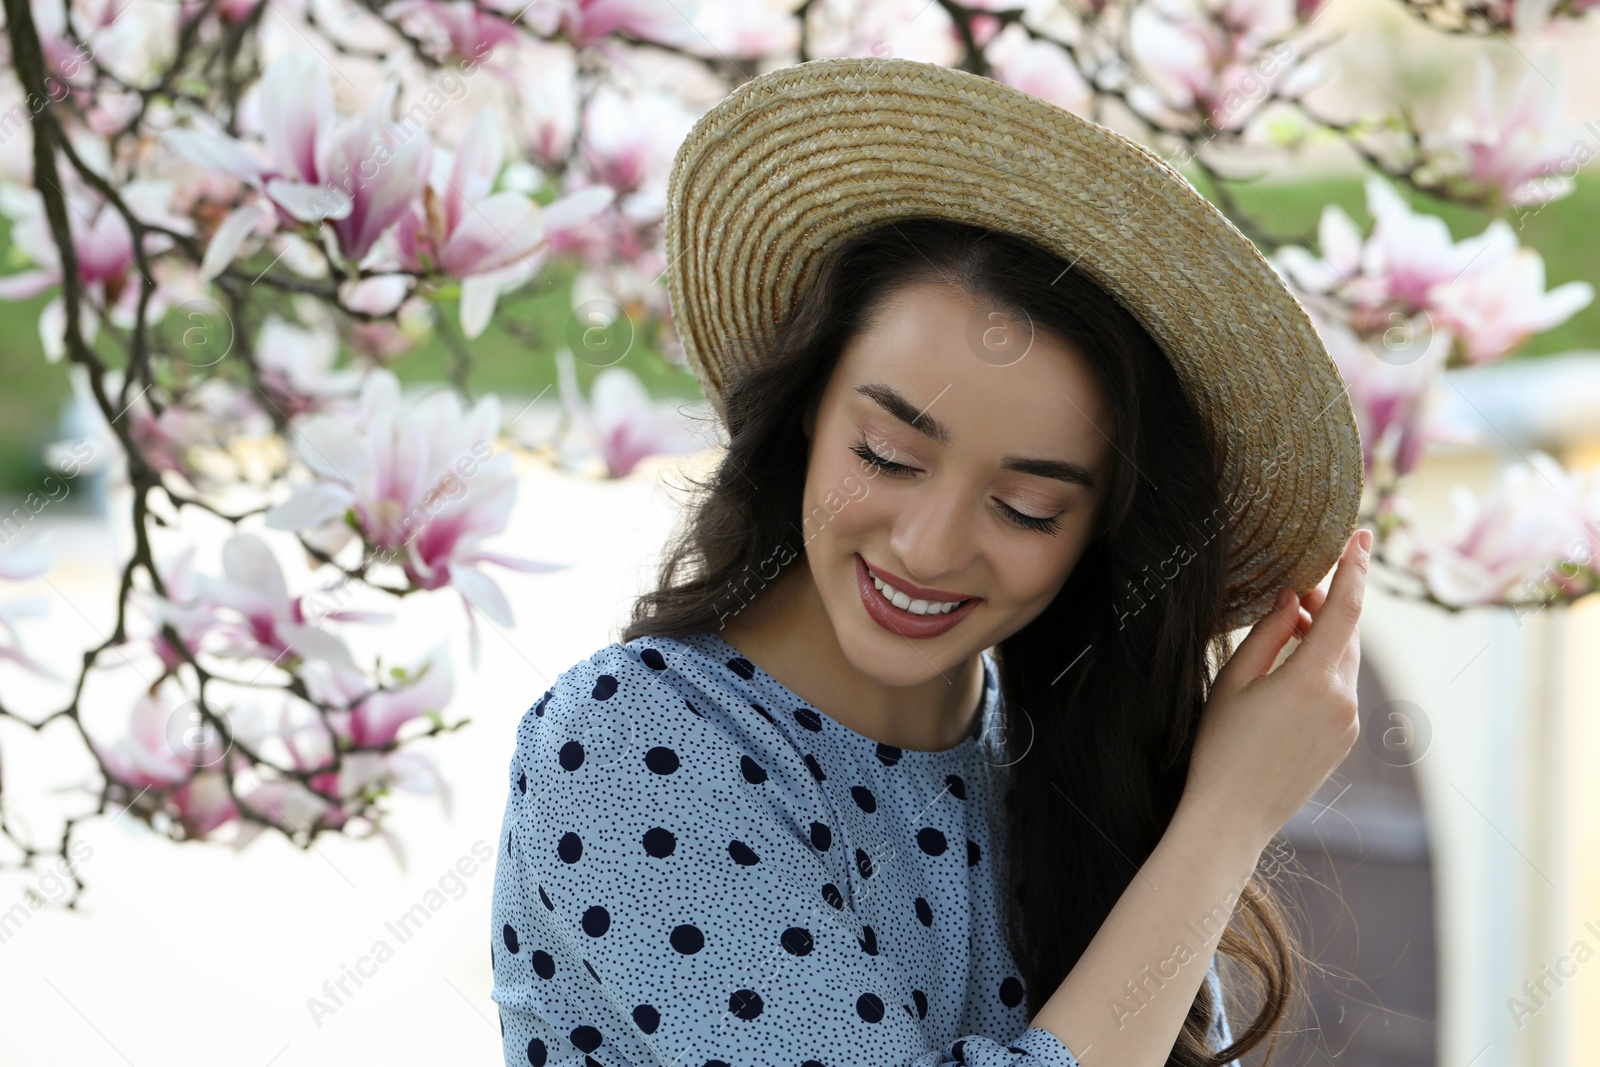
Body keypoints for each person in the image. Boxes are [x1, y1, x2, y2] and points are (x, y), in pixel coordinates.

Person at [490, 58, 1368, 1067]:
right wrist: (1226, 817)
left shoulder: (1069, 768)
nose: (929, 545)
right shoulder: (630, 741)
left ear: (1100, 532)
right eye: (888, 456)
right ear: (810, 411)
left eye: (1027, 505)